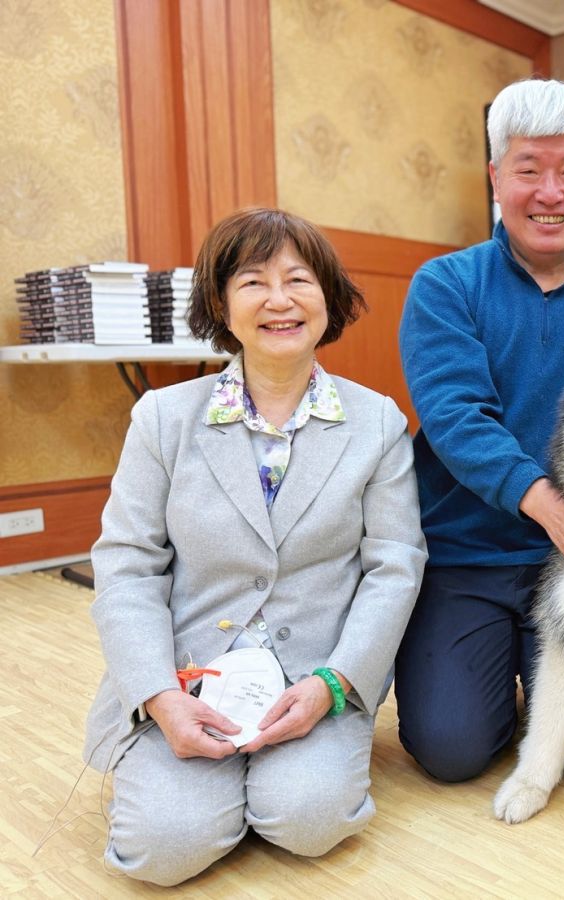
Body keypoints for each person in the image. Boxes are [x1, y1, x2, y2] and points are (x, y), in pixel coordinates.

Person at [82, 208, 427, 885]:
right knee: (164, 850)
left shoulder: (376, 422)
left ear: (328, 297)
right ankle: (197, 792)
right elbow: (126, 566)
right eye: (253, 282)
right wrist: (158, 696)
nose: (279, 300)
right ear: (220, 303)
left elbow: (395, 565)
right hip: (188, 675)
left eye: (299, 279)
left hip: (313, 675)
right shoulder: (162, 419)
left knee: (310, 822)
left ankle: (261, 790)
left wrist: (334, 684)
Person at [394, 78, 564, 782]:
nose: (550, 192)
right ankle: (494, 675)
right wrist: (546, 503)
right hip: (468, 557)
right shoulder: (446, 286)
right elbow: (458, 418)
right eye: (528, 169)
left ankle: (537, 673)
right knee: (452, 751)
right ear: (496, 177)